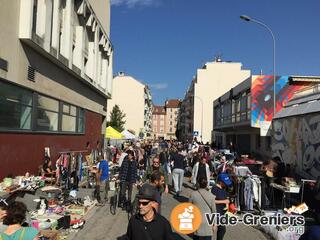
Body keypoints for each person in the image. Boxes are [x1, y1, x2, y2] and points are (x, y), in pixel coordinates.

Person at [211, 173, 233, 240]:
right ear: (220, 182)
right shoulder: (214, 189)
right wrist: (224, 202)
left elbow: (225, 198)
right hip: (216, 212)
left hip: (222, 212)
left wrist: (228, 204)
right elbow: (212, 201)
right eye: (225, 182)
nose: (226, 184)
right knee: (213, 230)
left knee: (222, 230)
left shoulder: (224, 188)